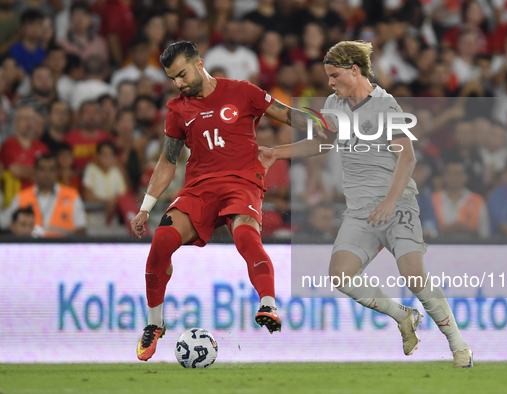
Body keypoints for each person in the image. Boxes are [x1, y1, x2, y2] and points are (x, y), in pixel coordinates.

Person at [258, 41, 473, 368]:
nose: (329, 83)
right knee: (341, 274)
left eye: (334, 75)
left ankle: (459, 346)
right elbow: (321, 143)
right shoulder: (334, 104)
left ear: (354, 71)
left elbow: (408, 157)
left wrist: (389, 201)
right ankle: (403, 316)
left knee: (414, 276)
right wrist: (277, 153)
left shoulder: (386, 106)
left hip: (397, 203)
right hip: (360, 211)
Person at [131, 41, 328, 361]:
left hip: (242, 183)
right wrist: (145, 208)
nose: (178, 84)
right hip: (199, 188)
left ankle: (268, 304)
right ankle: (155, 324)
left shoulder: (243, 92)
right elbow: (168, 162)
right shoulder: (177, 110)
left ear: (199, 64)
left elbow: (289, 116)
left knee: (244, 235)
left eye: (181, 75)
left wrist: (324, 123)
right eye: (172, 79)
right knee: (162, 239)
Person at [1, 153, 86, 237]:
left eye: (51, 169)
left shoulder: (71, 195)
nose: (47, 173)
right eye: (42, 169)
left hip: (62, 247)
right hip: (31, 247)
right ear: (35, 171)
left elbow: (81, 228)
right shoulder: (22, 196)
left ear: (57, 172)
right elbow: (5, 222)